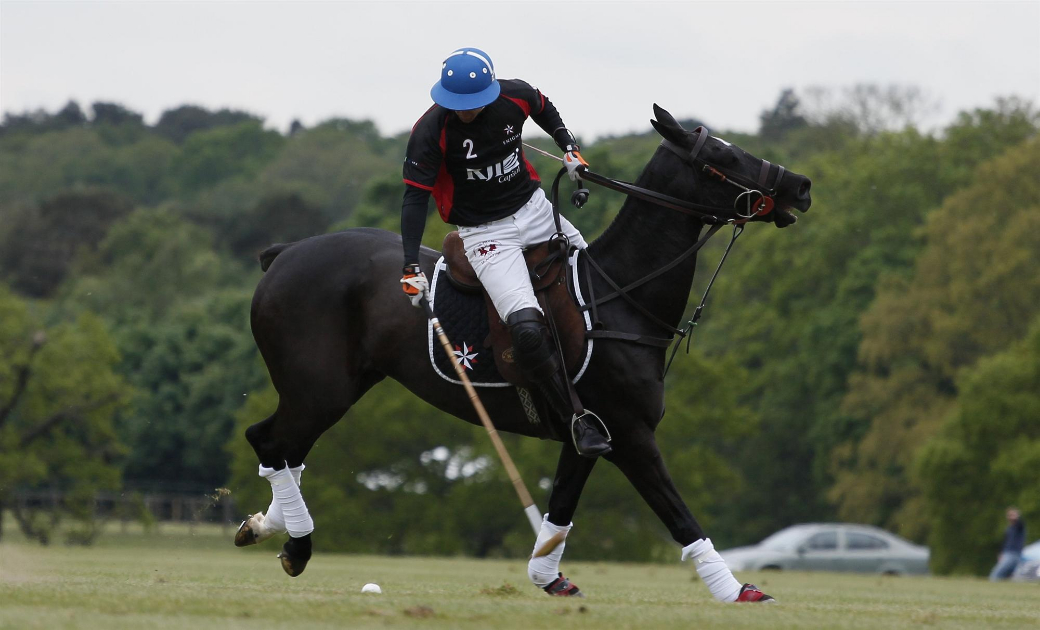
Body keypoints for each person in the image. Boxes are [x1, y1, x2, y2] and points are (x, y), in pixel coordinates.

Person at [398, 47, 611, 458]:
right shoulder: (431, 131)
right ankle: (575, 418)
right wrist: (409, 264)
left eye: (472, 105)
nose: (464, 113)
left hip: (534, 210)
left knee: (598, 282)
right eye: (456, 105)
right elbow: (414, 200)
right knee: (527, 330)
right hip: (484, 234)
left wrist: (568, 146)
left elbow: (544, 106)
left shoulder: (515, 96)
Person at [989, 507, 1026, 581]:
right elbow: (1005, 542)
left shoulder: (1019, 527)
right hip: (1007, 553)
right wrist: (1001, 553)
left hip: (1013, 553)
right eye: (1010, 515)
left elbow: (1020, 523)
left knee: (996, 574)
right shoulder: (1009, 528)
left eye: (1013, 515)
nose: (1011, 517)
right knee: (1006, 575)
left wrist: (1017, 517)